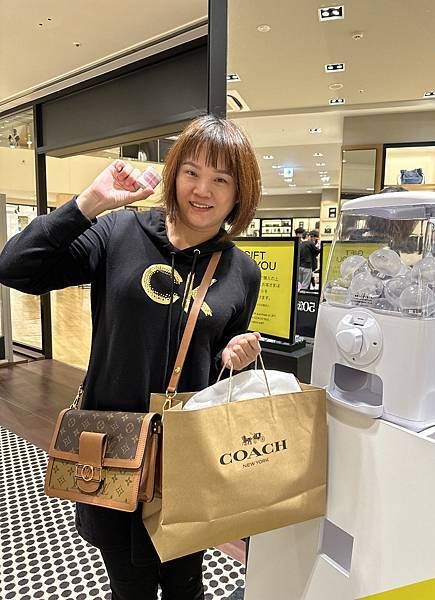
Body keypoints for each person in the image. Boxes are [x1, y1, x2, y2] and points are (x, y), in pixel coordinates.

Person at [0, 115, 263, 600]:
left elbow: (222, 358)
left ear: (238, 194)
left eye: (221, 179)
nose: (202, 190)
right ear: (174, 174)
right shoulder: (119, 232)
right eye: (192, 172)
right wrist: (90, 202)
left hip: (188, 459)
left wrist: (234, 353)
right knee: (129, 586)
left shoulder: (241, 271)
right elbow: (15, 267)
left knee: (186, 582)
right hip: (112, 449)